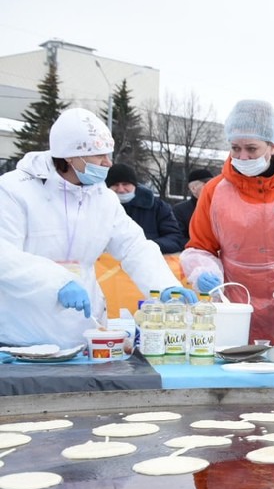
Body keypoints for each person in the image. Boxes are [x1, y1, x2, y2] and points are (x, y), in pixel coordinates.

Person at [0, 108, 194, 348]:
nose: (108, 163)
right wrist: (56, 282)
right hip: (23, 336)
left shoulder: (102, 196)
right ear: (70, 156)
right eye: (99, 155)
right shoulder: (15, 190)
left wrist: (165, 286)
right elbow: (4, 255)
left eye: (108, 154)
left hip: (83, 332)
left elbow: (134, 246)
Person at [181, 100, 274, 344]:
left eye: (252, 149)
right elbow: (200, 246)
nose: (242, 156)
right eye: (235, 148)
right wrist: (203, 270)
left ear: (272, 146)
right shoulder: (214, 191)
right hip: (234, 303)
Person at [106, 163, 185, 254]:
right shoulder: (98, 208)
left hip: (148, 262)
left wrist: (147, 246)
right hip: (105, 265)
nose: (121, 189)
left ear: (134, 185)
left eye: (125, 184)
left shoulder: (158, 207)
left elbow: (174, 239)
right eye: (115, 185)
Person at [172, 168, 213, 243]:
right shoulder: (179, 211)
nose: (212, 187)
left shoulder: (220, 208)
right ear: (193, 188)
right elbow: (178, 238)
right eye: (206, 184)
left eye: (213, 184)